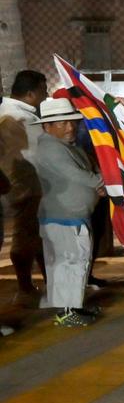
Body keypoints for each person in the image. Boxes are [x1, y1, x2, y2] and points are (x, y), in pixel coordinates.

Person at [31, 97, 105, 326]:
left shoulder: (67, 146)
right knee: (68, 263)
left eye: (72, 122)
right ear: (47, 126)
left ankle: (74, 307)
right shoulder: (50, 149)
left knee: (76, 262)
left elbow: (89, 170)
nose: (70, 127)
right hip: (62, 217)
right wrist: (104, 182)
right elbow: (78, 175)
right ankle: (66, 312)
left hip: (73, 216)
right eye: (62, 123)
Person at [0, 70, 50, 305]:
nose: (46, 93)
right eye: (43, 89)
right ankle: (25, 288)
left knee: (34, 235)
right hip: (27, 186)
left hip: (19, 185)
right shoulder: (21, 118)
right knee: (26, 234)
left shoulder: (7, 113)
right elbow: (35, 155)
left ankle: (37, 283)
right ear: (31, 93)